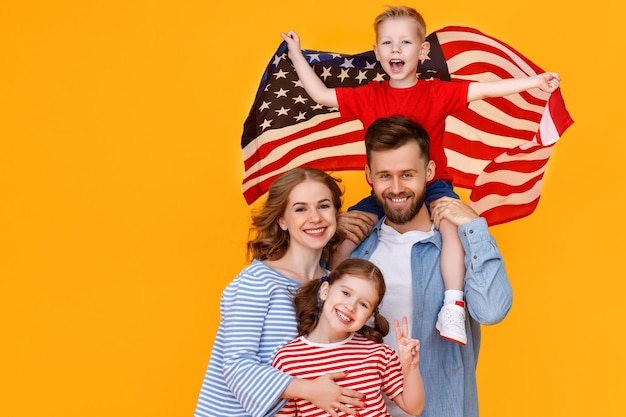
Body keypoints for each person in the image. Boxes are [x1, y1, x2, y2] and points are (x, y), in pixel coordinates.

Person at [280, 5, 556, 345]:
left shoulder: (437, 92)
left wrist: (535, 82)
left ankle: (453, 304)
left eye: (406, 43)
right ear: (377, 50)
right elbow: (320, 95)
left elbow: (486, 90)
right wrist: (295, 53)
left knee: (454, 230)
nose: (396, 50)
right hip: (381, 193)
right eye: (387, 43)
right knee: (343, 236)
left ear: (422, 51)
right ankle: (332, 305)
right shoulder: (369, 96)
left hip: (435, 186)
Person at [348, 116, 512, 417]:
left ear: (429, 171)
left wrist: (475, 228)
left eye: (407, 174)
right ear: (369, 175)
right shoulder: (354, 247)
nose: (396, 188)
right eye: (385, 175)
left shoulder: (458, 246)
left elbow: (491, 311)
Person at [193, 167, 365, 417]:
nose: (315, 217)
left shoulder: (333, 288)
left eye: (324, 206)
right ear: (282, 220)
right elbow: (236, 366)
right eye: (300, 209)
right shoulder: (257, 281)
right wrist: (310, 390)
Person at [272, 258, 425, 417]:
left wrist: (410, 368)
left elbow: (413, 407)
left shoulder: (379, 353)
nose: (350, 307)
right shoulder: (288, 359)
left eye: (363, 304)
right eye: (346, 293)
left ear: (369, 317)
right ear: (325, 290)